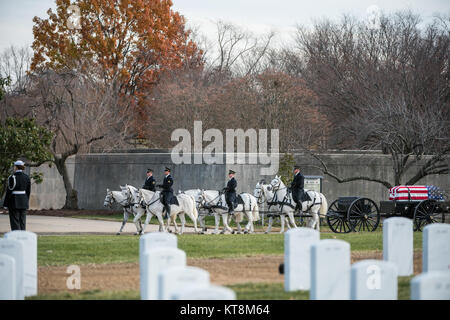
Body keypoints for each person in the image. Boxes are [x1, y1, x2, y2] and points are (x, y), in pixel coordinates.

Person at [2, 160, 31, 231]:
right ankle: (23, 236)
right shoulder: (26, 177)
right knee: (22, 221)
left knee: (15, 221)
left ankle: (16, 236)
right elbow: (28, 191)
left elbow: (9, 191)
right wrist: (26, 201)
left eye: (14, 166)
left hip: (14, 201)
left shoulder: (12, 177)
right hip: (23, 201)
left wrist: (5, 204)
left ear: (16, 167)